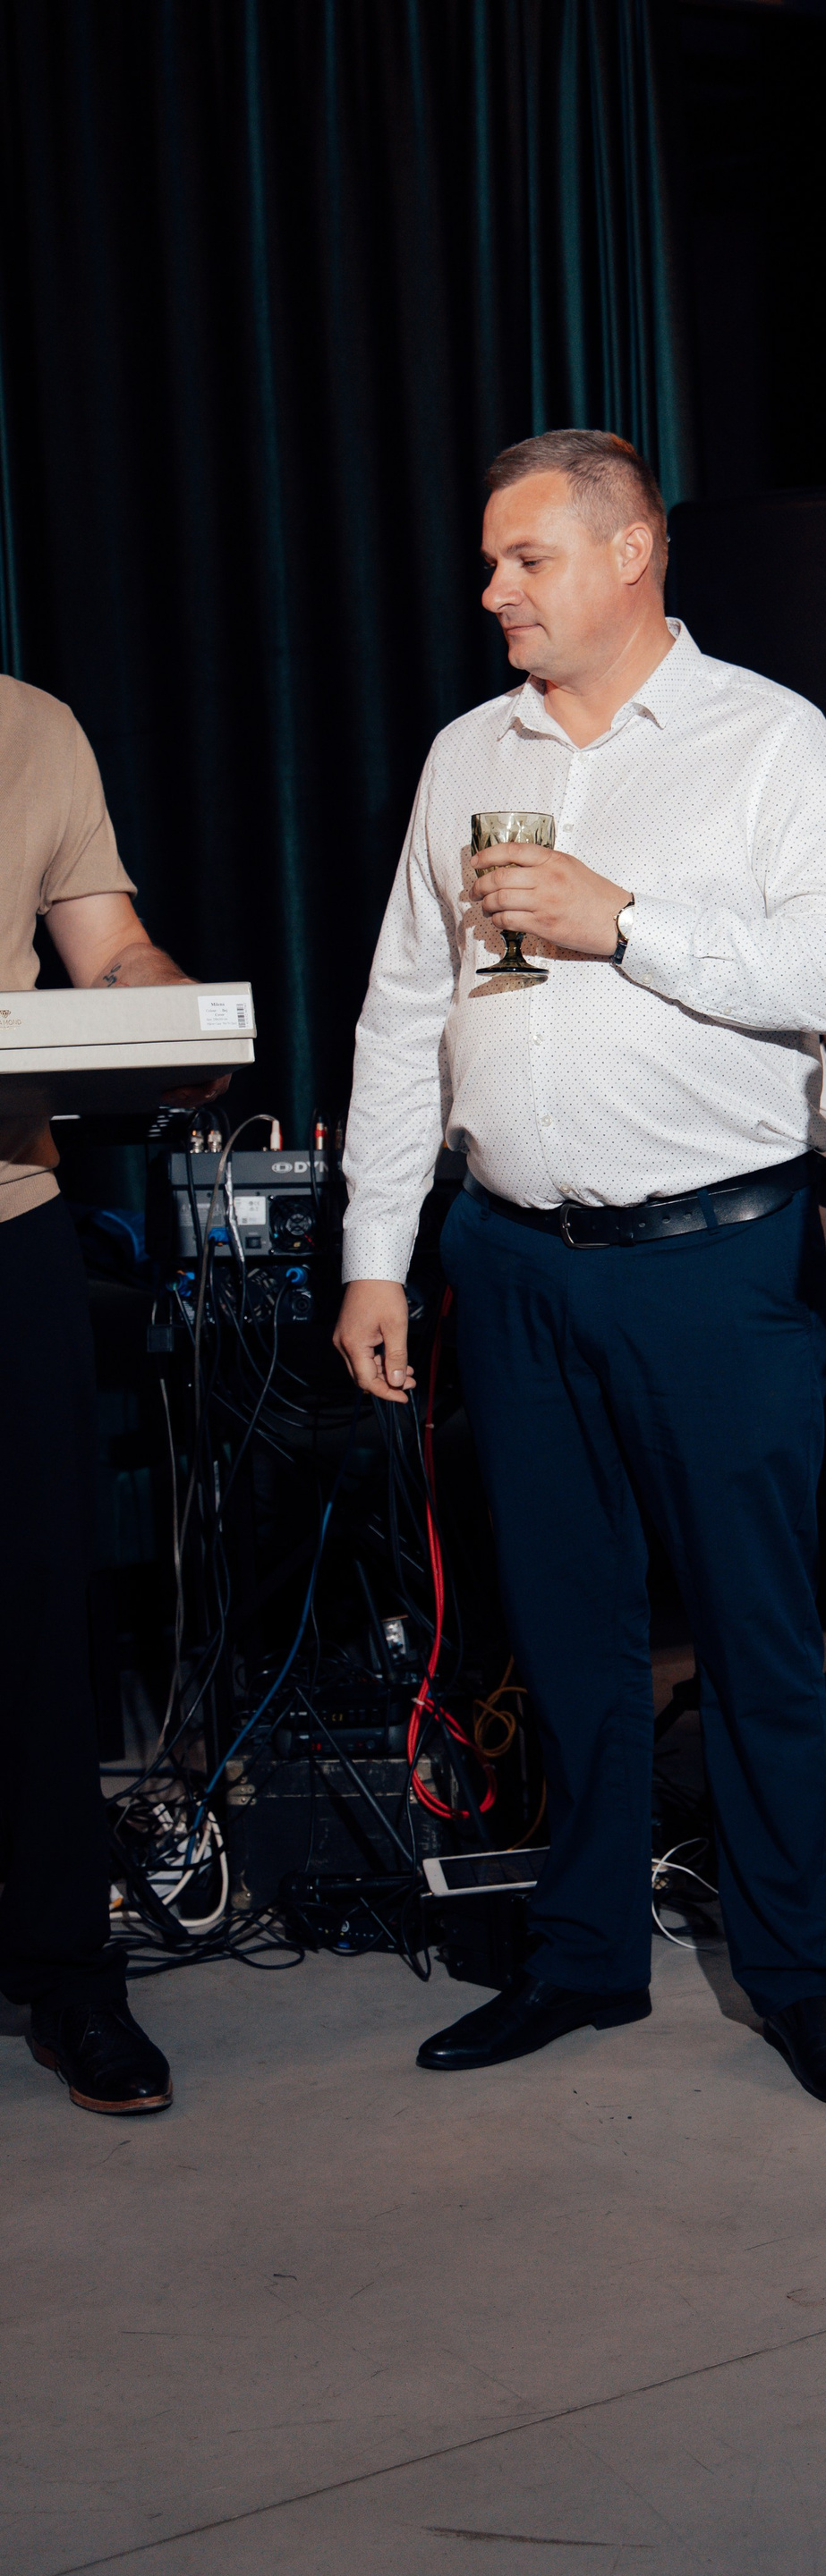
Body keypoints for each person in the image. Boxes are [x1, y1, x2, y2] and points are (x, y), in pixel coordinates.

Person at [335, 428, 826, 2106]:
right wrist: (376, 1255)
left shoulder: (767, 738)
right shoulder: (466, 754)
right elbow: (405, 1012)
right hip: (510, 1265)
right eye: (492, 563)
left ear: (632, 552)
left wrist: (621, 919)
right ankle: (584, 1956)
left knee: (756, 1634)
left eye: (528, 559)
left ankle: (794, 1973)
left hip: (712, 1267)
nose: (494, 591)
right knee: (564, 1634)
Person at [0, 676, 224, 2115]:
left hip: (9, 1220)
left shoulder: (32, 730)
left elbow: (113, 946)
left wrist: (169, 1019)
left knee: (36, 1614)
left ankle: (68, 1976)